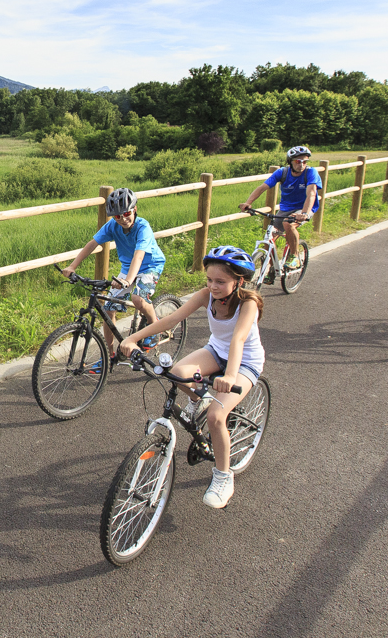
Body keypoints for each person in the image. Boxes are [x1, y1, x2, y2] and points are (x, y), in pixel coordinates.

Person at [119, 245, 264, 509]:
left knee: (216, 417)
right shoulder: (207, 295)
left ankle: (223, 476)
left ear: (239, 281)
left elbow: (239, 340)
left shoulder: (248, 303)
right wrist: (133, 338)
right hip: (216, 352)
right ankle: (202, 396)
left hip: (244, 363)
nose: (213, 286)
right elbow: (172, 318)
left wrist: (229, 376)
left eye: (221, 281)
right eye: (209, 280)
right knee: (175, 373)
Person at [61, 187, 166, 360]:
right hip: (127, 268)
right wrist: (72, 266)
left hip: (149, 266)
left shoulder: (142, 227)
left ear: (135, 209)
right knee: (108, 310)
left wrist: (128, 281)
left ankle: (155, 327)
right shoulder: (112, 226)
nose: (123, 219)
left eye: (127, 213)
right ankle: (109, 356)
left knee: (138, 299)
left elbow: (139, 257)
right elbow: (92, 244)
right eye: (117, 216)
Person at [239, 145, 321, 273]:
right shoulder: (282, 172)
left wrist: (304, 213)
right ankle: (272, 268)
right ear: (290, 162)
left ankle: (294, 257)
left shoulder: (311, 173)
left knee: (288, 224)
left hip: (303, 209)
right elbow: (262, 187)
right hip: (285, 209)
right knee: (269, 237)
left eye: (305, 161)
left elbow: (311, 194)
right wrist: (248, 203)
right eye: (298, 161)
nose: (301, 164)